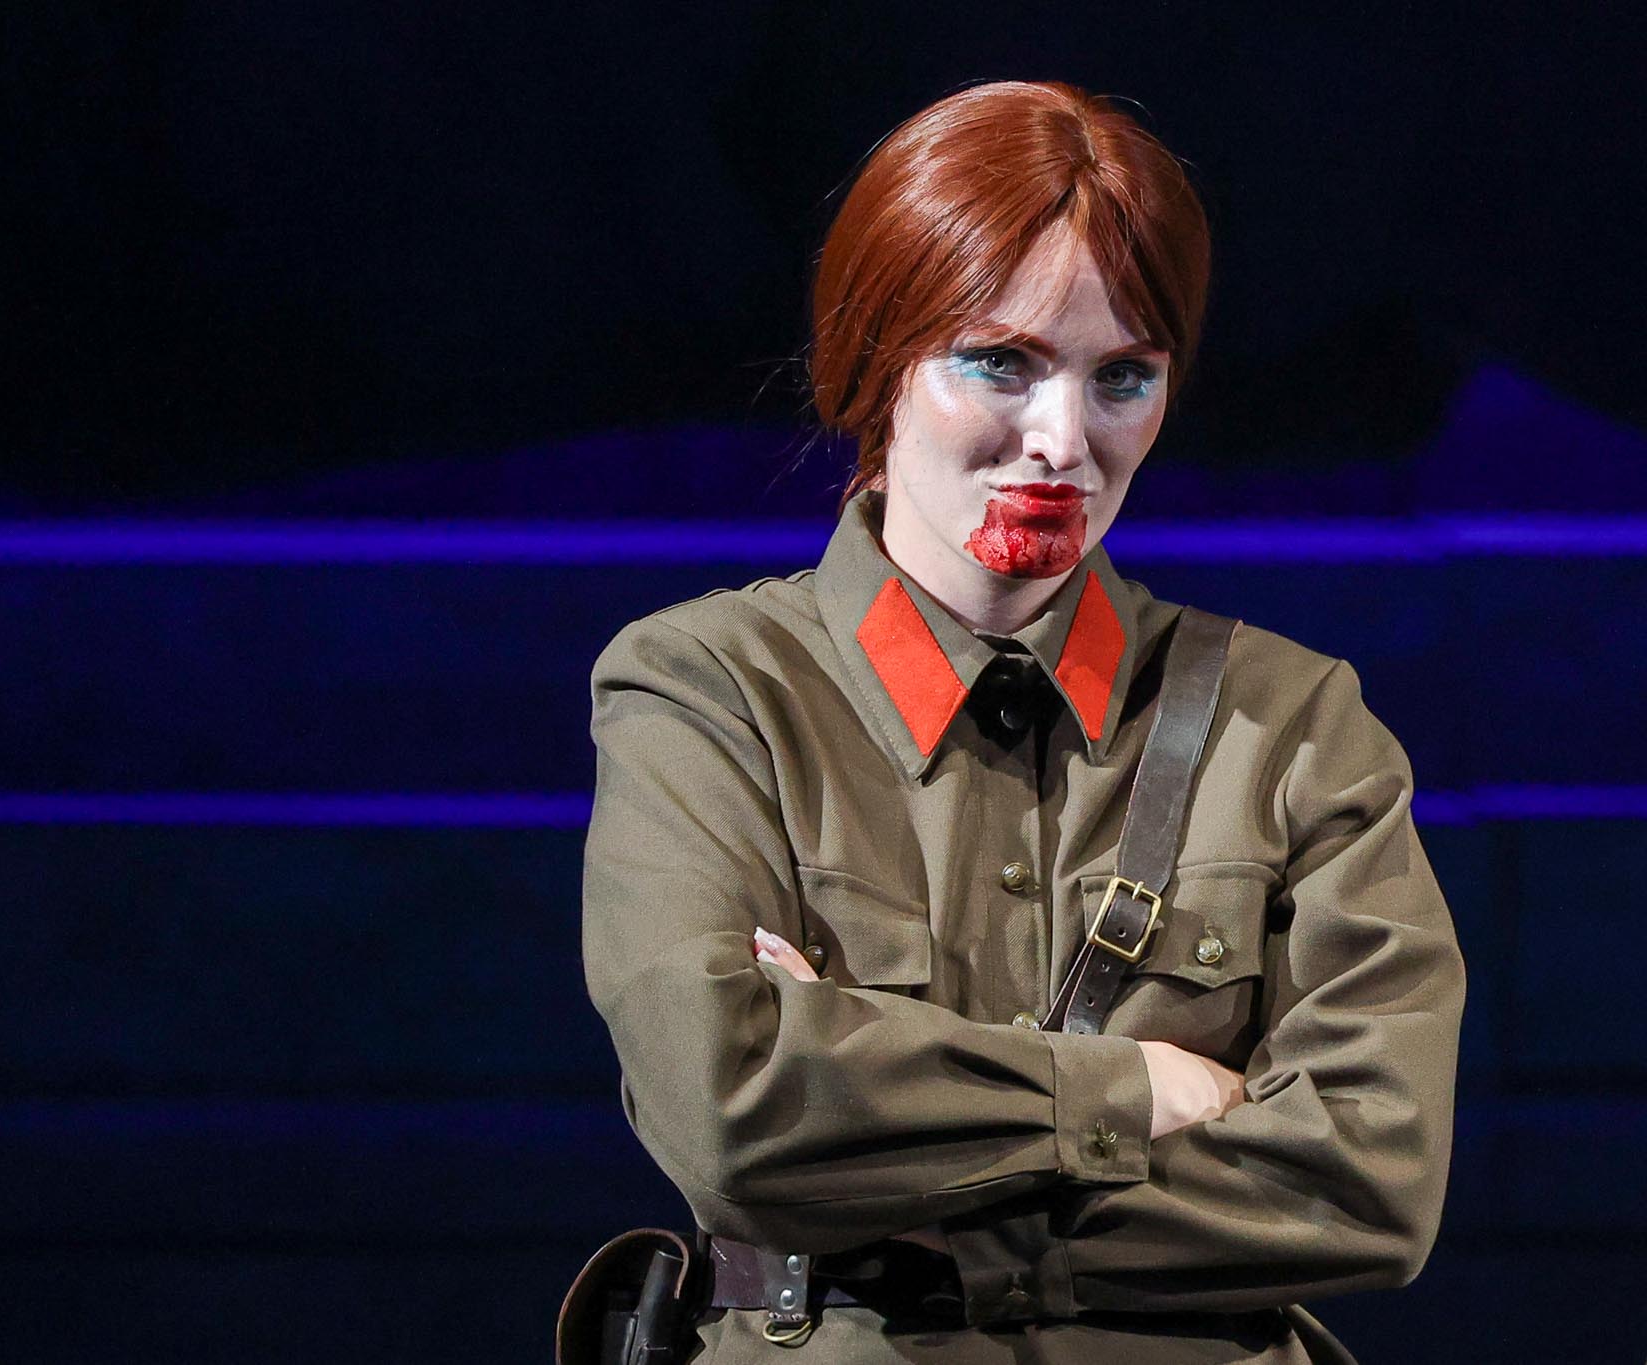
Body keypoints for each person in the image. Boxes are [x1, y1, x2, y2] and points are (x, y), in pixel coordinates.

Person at [579, 80, 1464, 1363]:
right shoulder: (711, 691)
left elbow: (1369, 1183)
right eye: (999, 361)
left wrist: (894, 1169)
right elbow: (728, 1110)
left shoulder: (1291, 725)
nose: (1061, 440)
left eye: (1122, 377)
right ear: (877, 355)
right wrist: (1134, 1087)